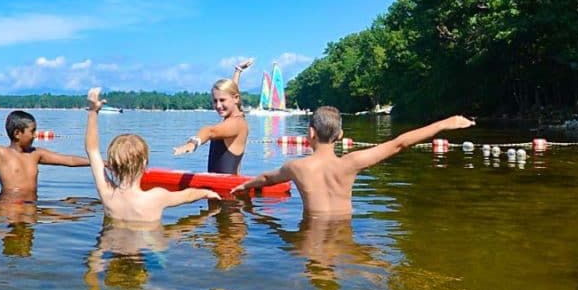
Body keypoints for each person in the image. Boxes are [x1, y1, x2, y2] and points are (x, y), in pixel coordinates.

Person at [227, 107, 476, 217]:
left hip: (309, 237)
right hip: (343, 234)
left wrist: (245, 186)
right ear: (340, 136)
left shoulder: (296, 167)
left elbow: (268, 179)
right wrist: (444, 124)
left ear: (310, 133)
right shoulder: (351, 163)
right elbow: (400, 143)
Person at [84, 88, 215, 223]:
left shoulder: (107, 193)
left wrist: (93, 112)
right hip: (148, 241)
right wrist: (206, 192)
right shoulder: (156, 196)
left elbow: (92, 150)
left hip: (110, 241)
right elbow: (187, 195)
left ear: (113, 164)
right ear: (144, 162)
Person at [0, 96, 88, 202]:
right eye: (32, 131)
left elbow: (69, 160)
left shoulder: (35, 154)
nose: (36, 135)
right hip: (9, 208)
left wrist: (99, 162)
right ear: (17, 133)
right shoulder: (0, 154)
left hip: (31, 207)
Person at [172, 59, 255, 174]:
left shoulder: (236, 124)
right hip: (222, 186)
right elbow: (232, 91)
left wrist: (193, 142)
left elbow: (210, 131)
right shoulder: (234, 116)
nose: (218, 106)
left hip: (225, 190)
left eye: (222, 100)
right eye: (215, 101)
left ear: (236, 98)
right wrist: (238, 71)